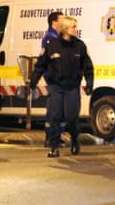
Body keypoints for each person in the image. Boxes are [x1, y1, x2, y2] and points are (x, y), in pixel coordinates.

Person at [30, 16, 94, 158]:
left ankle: (75, 140)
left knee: (71, 118)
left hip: (72, 88)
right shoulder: (52, 45)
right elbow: (40, 65)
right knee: (55, 117)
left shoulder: (80, 46)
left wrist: (89, 84)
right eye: (73, 27)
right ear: (65, 29)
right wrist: (33, 82)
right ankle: (53, 147)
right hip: (56, 87)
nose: (76, 30)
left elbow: (88, 67)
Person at [40, 11, 64, 147]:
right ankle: (50, 136)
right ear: (54, 22)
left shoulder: (58, 37)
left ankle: (57, 135)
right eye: (61, 20)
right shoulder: (50, 38)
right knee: (54, 108)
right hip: (54, 78)